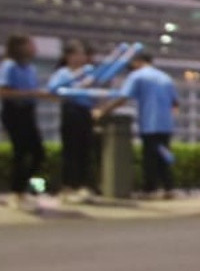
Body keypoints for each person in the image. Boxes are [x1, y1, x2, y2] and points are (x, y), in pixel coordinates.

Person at [97, 52, 179, 199]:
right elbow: (175, 102)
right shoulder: (166, 77)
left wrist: (103, 111)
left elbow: (123, 98)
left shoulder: (137, 76)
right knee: (163, 156)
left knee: (149, 158)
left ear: (138, 61)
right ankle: (169, 188)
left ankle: (150, 190)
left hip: (149, 123)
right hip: (165, 124)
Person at [0, 35, 49, 210]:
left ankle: (27, 190)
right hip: (14, 111)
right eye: (31, 44)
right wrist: (29, 94)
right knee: (21, 153)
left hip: (29, 112)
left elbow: (33, 91)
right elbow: (4, 91)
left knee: (38, 152)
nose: (34, 47)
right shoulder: (9, 66)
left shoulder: (31, 68)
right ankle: (16, 193)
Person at [47, 40, 97, 202]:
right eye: (77, 54)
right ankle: (68, 186)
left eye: (82, 54)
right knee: (71, 151)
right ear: (68, 56)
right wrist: (77, 77)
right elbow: (53, 89)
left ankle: (82, 185)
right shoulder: (63, 73)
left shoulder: (89, 72)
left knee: (85, 150)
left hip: (85, 112)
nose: (81, 58)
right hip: (70, 110)